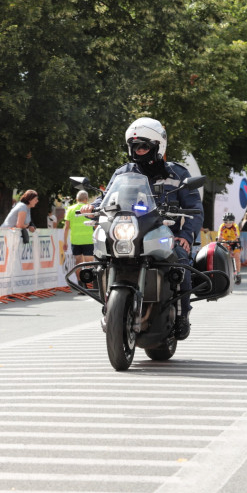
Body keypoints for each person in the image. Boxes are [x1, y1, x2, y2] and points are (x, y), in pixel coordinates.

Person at [83, 117, 202, 340]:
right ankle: (109, 307)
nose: (139, 150)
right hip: (130, 234)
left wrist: (185, 235)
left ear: (158, 146)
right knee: (102, 259)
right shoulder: (123, 172)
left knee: (181, 262)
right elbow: (107, 198)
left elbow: (195, 207)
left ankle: (182, 314)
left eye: (144, 146)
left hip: (166, 233)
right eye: (135, 146)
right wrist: (93, 206)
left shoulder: (177, 174)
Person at [63, 190, 95, 280]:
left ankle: (80, 285)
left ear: (77, 199)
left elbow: (66, 227)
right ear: (86, 199)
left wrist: (65, 242)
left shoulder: (70, 209)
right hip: (88, 240)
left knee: (78, 264)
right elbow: (95, 225)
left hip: (75, 241)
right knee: (89, 264)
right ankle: (89, 284)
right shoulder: (89, 209)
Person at [217, 211, 242, 284]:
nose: (228, 224)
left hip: (234, 242)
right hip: (226, 242)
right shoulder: (222, 226)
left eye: (230, 222)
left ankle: (238, 273)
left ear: (233, 222)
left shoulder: (235, 226)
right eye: (226, 222)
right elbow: (219, 237)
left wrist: (236, 243)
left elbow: (237, 237)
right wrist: (220, 240)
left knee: (237, 257)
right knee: (222, 246)